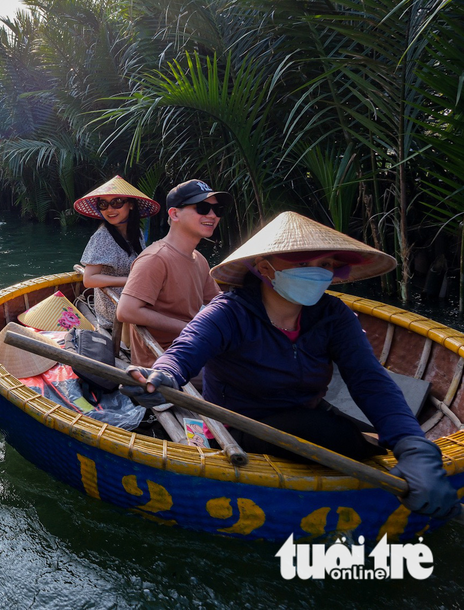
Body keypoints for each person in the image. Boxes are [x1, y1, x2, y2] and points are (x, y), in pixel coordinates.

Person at [123, 212, 460, 519]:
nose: (319, 271)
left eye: (327, 263)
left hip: (305, 409)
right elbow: (184, 352)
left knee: (384, 436)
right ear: (265, 268)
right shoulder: (228, 312)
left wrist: (413, 446)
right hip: (238, 422)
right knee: (329, 434)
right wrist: (161, 376)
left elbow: (369, 379)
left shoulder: (333, 316)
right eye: (305, 263)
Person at [117, 179, 228, 367]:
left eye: (217, 210)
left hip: (194, 346)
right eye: (202, 208)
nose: (212, 215)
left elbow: (218, 302)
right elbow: (126, 310)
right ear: (175, 214)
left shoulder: (198, 259)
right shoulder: (156, 259)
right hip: (165, 359)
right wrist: (191, 329)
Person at [74, 176, 160, 324]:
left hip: (136, 296)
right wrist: (129, 281)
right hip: (115, 306)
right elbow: (89, 279)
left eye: (117, 202)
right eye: (103, 204)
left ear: (131, 205)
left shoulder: (136, 232)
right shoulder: (102, 237)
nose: (110, 209)